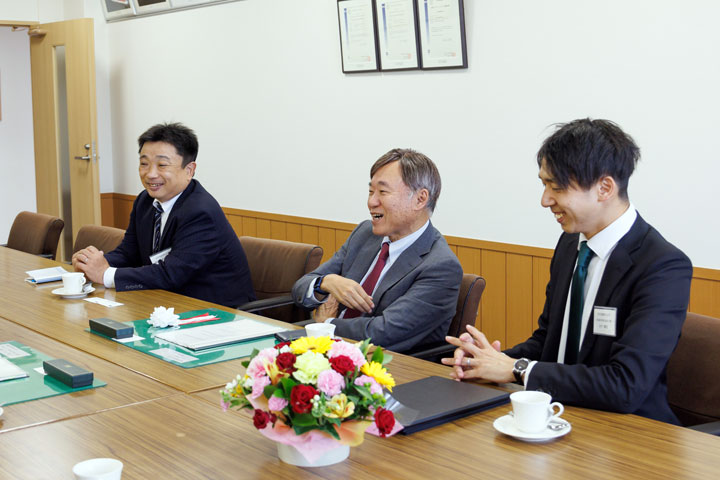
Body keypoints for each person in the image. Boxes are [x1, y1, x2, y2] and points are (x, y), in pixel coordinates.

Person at [443, 119, 692, 424]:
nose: (545, 200)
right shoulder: (570, 243)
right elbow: (548, 341)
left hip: (629, 431)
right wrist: (490, 361)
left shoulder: (662, 266)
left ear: (604, 188)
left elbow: (626, 385)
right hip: (559, 415)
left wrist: (515, 369)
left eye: (556, 187)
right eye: (544, 184)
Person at [292, 148, 463, 353]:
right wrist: (326, 282)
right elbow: (300, 288)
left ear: (420, 199)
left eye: (382, 192)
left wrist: (326, 324)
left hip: (386, 369)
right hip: (328, 352)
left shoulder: (441, 266)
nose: (371, 202)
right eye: (371, 191)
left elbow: (383, 332)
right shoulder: (365, 233)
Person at [72, 122, 255, 309]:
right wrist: (92, 265)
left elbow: (171, 274)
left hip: (216, 312)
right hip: (166, 304)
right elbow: (129, 253)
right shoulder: (145, 201)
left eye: (162, 165)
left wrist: (105, 274)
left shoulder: (201, 212)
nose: (150, 174)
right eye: (144, 164)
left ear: (189, 170)